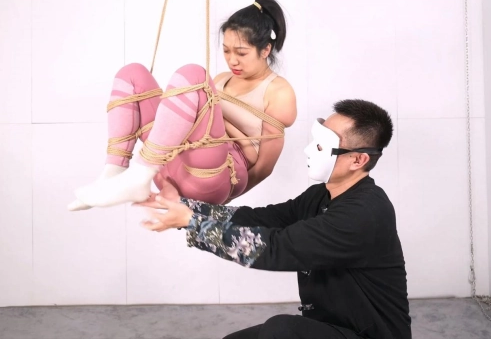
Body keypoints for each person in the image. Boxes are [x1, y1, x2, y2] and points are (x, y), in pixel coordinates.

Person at [139, 99, 411, 339]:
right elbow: (261, 219)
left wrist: (192, 223)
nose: (309, 151)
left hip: (367, 335)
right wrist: (184, 206)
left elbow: (276, 248)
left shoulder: (364, 213)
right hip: (330, 328)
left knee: (281, 331)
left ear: (358, 160)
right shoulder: (320, 196)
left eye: (320, 146)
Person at [68, 0, 297, 211]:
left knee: (194, 75)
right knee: (132, 74)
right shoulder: (221, 79)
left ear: (265, 50)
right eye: (226, 51)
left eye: (241, 53)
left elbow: (263, 168)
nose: (232, 60)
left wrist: (220, 203)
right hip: (171, 164)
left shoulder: (278, 92)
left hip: (217, 174)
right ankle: (115, 171)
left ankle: (139, 174)